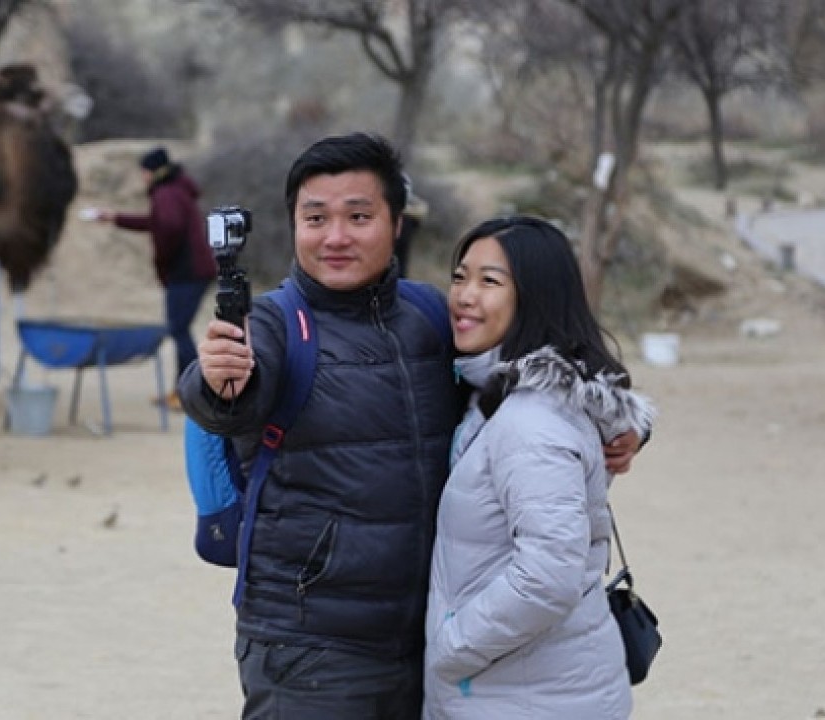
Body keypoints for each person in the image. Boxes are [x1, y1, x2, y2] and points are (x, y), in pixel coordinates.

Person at [178, 132, 646, 718]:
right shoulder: (275, 324)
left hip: (422, 641)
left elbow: (533, 381)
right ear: (293, 225)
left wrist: (618, 428)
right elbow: (226, 395)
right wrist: (218, 382)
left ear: (396, 222)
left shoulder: (428, 314)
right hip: (311, 649)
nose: (336, 237)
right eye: (315, 218)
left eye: (358, 215)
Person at [424, 216, 651, 718]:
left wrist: (452, 648)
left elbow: (548, 574)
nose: (464, 295)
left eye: (490, 281)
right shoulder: (497, 394)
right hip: (527, 685)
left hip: (524, 695)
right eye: (460, 277)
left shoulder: (531, 422)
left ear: (535, 297)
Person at [90, 146, 215, 411]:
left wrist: (163, 259)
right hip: (193, 271)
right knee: (179, 329)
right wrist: (116, 218)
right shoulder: (175, 189)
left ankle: (192, 393)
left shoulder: (166, 193)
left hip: (186, 272)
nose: (143, 177)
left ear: (153, 171)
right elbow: (157, 223)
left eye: (144, 172)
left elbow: (168, 227)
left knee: (179, 330)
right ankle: (183, 392)